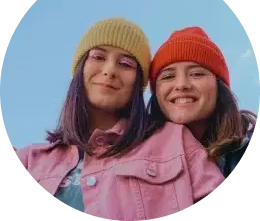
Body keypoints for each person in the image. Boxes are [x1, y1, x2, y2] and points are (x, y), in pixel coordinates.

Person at [15, 18, 225, 220]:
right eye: (98, 57)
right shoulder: (28, 160)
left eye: (125, 64)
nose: (109, 71)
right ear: (81, 67)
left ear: (138, 82)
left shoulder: (176, 141)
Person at [147, 26, 257, 179]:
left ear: (219, 86)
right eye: (168, 76)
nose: (181, 84)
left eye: (196, 74)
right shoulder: (140, 160)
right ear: (156, 93)